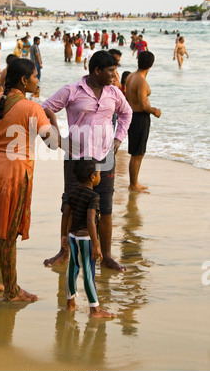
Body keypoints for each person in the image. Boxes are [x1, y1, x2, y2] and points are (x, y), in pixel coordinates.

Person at [0, 58, 59, 301]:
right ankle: (12, 290)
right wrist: (52, 118)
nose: (37, 80)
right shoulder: (32, 108)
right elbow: (53, 144)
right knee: (7, 235)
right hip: (14, 174)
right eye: (34, 76)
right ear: (23, 80)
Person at [42, 51, 132, 271]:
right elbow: (43, 109)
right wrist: (57, 140)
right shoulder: (71, 90)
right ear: (97, 71)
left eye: (115, 70)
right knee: (71, 207)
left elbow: (126, 113)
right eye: (110, 71)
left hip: (105, 159)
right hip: (77, 160)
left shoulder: (114, 93)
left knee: (106, 207)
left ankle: (107, 255)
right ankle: (64, 252)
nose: (114, 75)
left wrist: (119, 138)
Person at [63, 159, 116, 318]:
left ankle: (70, 302)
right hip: (86, 239)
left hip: (72, 236)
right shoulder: (94, 196)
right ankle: (95, 309)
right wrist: (96, 243)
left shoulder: (72, 193)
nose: (100, 176)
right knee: (88, 272)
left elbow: (66, 215)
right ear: (93, 177)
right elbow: (90, 221)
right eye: (99, 173)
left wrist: (64, 235)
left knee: (72, 268)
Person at [125, 51, 161, 193]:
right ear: (151, 65)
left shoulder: (130, 76)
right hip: (140, 117)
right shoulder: (141, 81)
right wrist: (155, 111)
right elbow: (144, 105)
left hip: (132, 116)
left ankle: (134, 182)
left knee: (136, 152)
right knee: (138, 153)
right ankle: (133, 184)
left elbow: (129, 98)